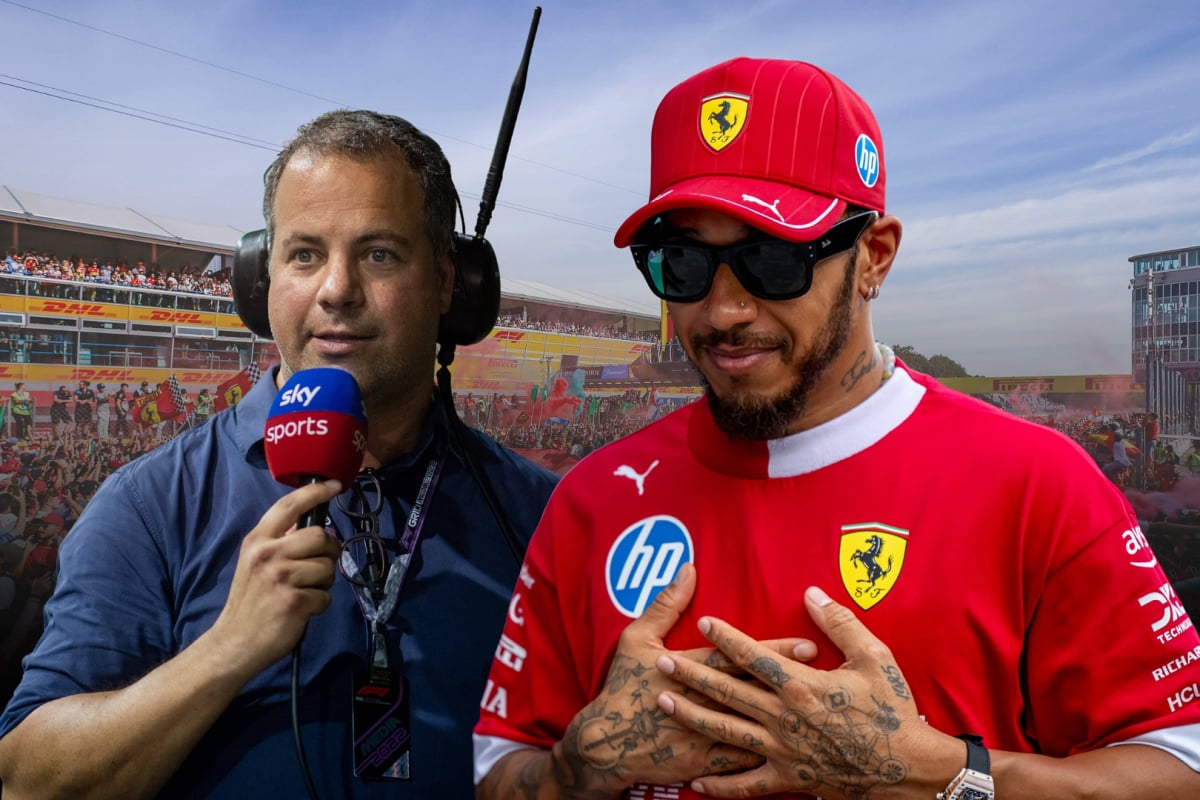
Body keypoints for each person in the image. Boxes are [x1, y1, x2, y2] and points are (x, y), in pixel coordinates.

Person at [474, 58, 1200, 799]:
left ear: (873, 257)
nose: (723, 310)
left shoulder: (1037, 483)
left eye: (770, 259)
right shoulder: (593, 497)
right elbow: (496, 771)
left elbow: (1181, 769)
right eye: (684, 263)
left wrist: (947, 778)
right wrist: (582, 767)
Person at [0, 109, 559, 798]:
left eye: (379, 253)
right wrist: (225, 651)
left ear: (450, 284)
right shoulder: (149, 505)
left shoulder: (541, 514)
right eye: (304, 254)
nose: (336, 289)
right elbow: (27, 782)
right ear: (260, 281)